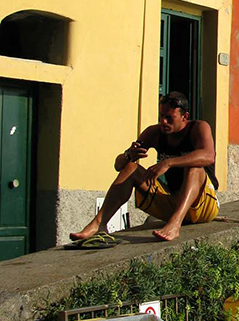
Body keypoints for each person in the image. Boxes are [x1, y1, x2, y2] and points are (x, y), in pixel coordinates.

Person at [70, 91, 219, 246]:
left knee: (194, 168)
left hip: (204, 205)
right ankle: (99, 224)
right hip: (173, 201)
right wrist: (129, 155)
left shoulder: (199, 128)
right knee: (131, 168)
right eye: (161, 116)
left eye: (169, 117)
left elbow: (208, 156)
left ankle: (175, 224)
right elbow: (118, 165)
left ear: (184, 117)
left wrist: (168, 163)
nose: (164, 121)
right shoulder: (154, 133)